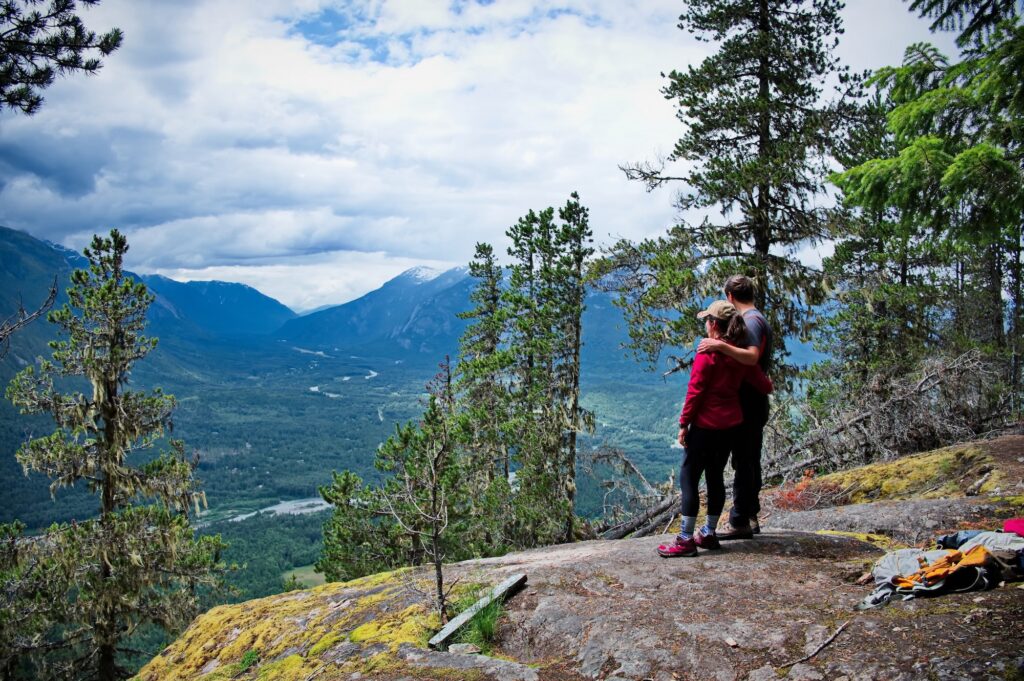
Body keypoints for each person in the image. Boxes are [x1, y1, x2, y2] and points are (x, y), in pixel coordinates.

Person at [658, 300, 773, 557]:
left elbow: (695, 392)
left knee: (689, 477)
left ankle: (686, 538)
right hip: (729, 426)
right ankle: (708, 533)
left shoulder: (708, 353)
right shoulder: (739, 353)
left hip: (704, 426)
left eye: (707, 321)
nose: (705, 325)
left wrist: (682, 424)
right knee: (715, 477)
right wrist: (768, 383)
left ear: (713, 325)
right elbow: (764, 386)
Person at [696, 275, 773, 540]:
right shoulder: (758, 318)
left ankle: (740, 519)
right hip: (754, 400)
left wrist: (718, 345)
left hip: (747, 403)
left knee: (743, 461)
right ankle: (749, 515)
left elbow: (751, 358)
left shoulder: (751, 321)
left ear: (730, 296)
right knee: (748, 459)